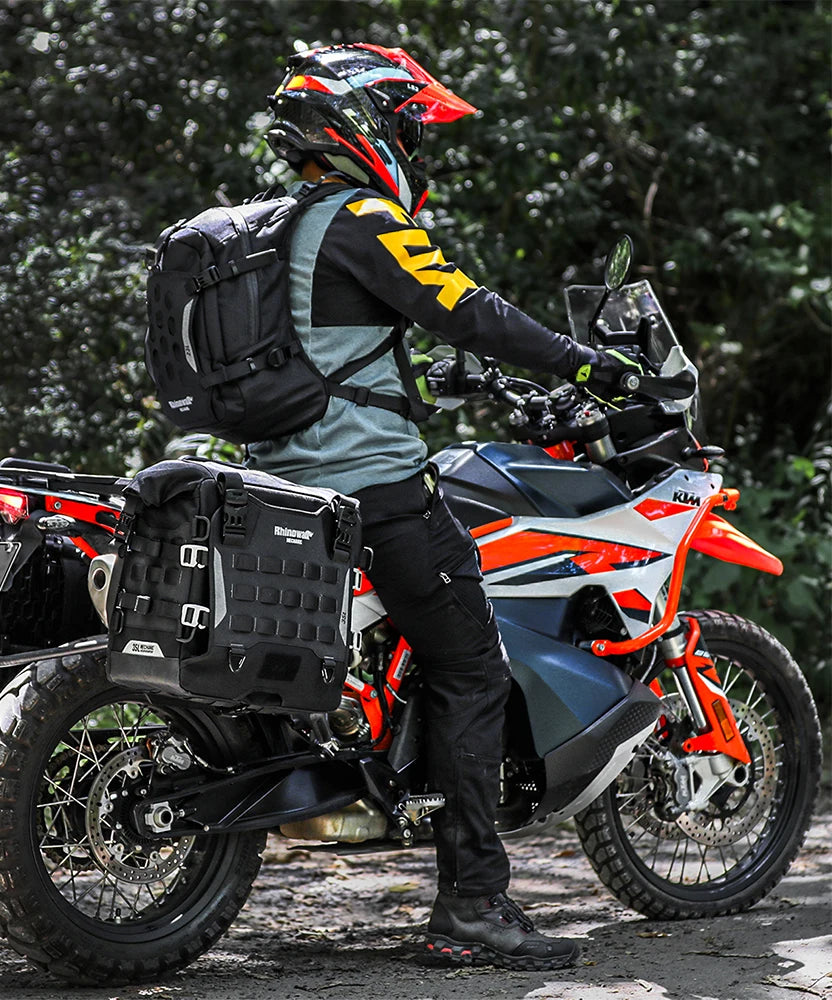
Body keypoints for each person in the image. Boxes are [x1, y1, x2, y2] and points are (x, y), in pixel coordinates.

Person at [247, 42, 633, 971]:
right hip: (377, 491)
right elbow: (465, 307)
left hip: (287, 483)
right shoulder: (362, 217)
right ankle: (473, 906)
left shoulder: (273, 230)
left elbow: (337, 357)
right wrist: (584, 363)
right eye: (410, 128)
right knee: (472, 668)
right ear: (364, 125)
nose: (416, 147)